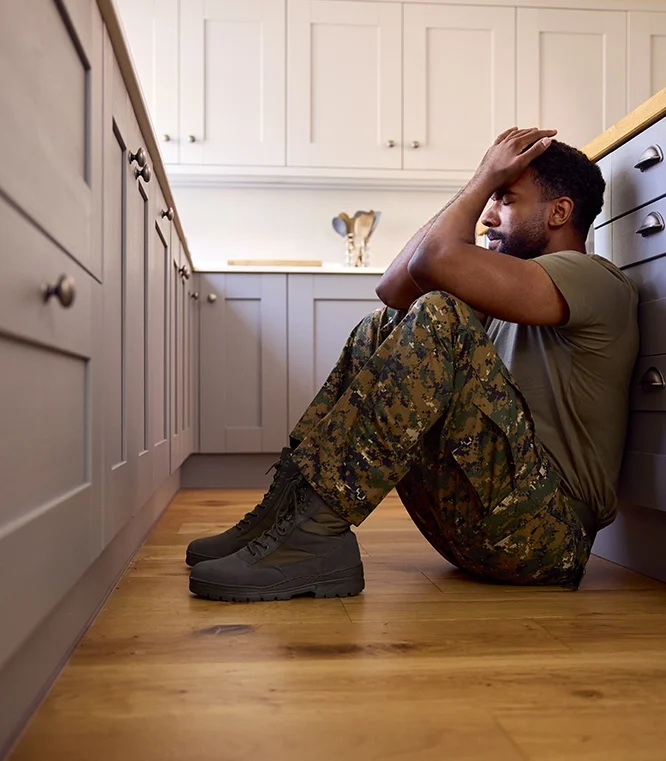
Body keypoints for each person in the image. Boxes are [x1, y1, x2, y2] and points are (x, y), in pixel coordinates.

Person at [186, 127, 639, 603]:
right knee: (384, 323)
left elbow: (436, 261)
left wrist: (483, 176)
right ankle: (290, 517)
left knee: (439, 312)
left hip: (548, 538)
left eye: (504, 199)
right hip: (490, 522)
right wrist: (482, 181)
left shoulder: (595, 280)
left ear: (560, 212)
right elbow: (395, 288)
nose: (487, 216)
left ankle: (313, 535)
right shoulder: (511, 290)